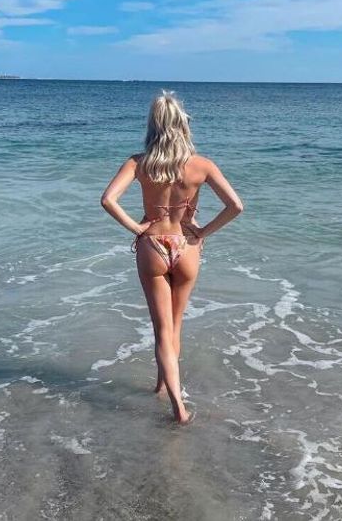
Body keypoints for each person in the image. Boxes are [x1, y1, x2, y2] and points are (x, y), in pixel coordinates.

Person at [101, 91, 244, 422]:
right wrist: (202, 232)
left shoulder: (138, 163)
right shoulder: (201, 165)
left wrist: (137, 228)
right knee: (175, 326)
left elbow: (108, 200)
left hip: (152, 245)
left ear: (153, 126)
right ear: (183, 125)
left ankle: (177, 405)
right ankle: (162, 385)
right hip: (186, 246)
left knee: (162, 330)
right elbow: (236, 206)